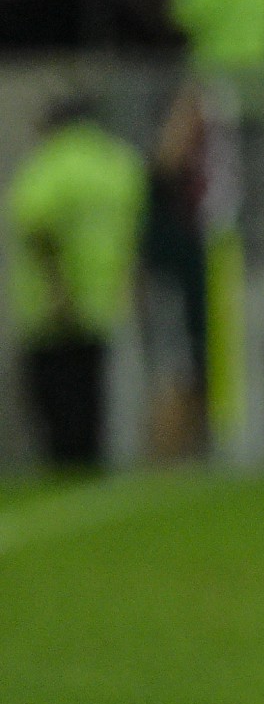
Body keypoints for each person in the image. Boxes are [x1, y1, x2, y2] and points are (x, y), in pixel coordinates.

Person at [6, 94, 147, 469]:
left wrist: (58, 289)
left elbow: (37, 225)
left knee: (53, 404)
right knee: (91, 403)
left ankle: (62, 467)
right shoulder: (120, 164)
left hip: (53, 309)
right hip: (103, 304)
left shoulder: (53, 162)